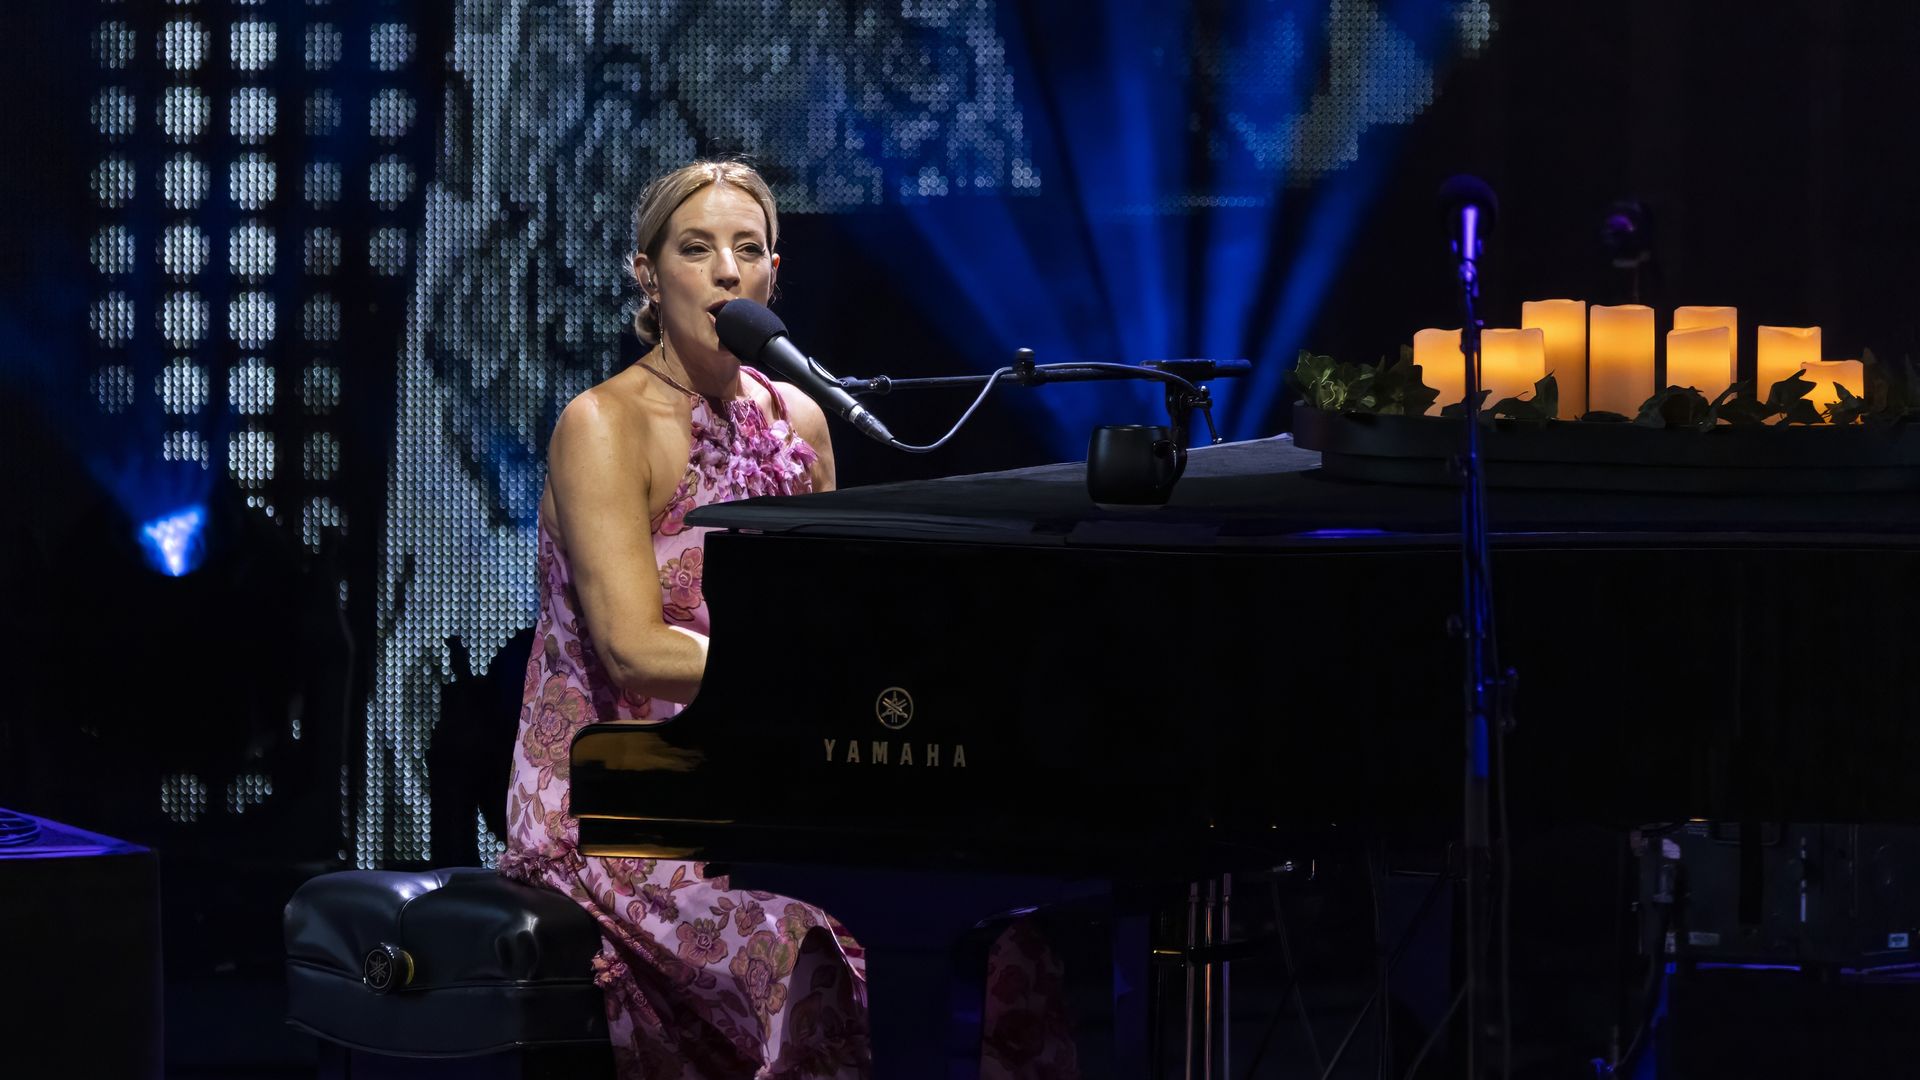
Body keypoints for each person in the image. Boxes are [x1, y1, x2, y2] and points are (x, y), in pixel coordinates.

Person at [499, 160, 868, 1077]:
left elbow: (833, 618)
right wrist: (801, 678)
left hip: (764, 800)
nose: (726, 272)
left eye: (748, 251)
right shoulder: (602, 424)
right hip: (621, 809)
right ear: (647, 273)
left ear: (774, 274)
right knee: (805, 951)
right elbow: (632, 650)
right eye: (696, 249)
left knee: (996, 947)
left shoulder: (803, 422)